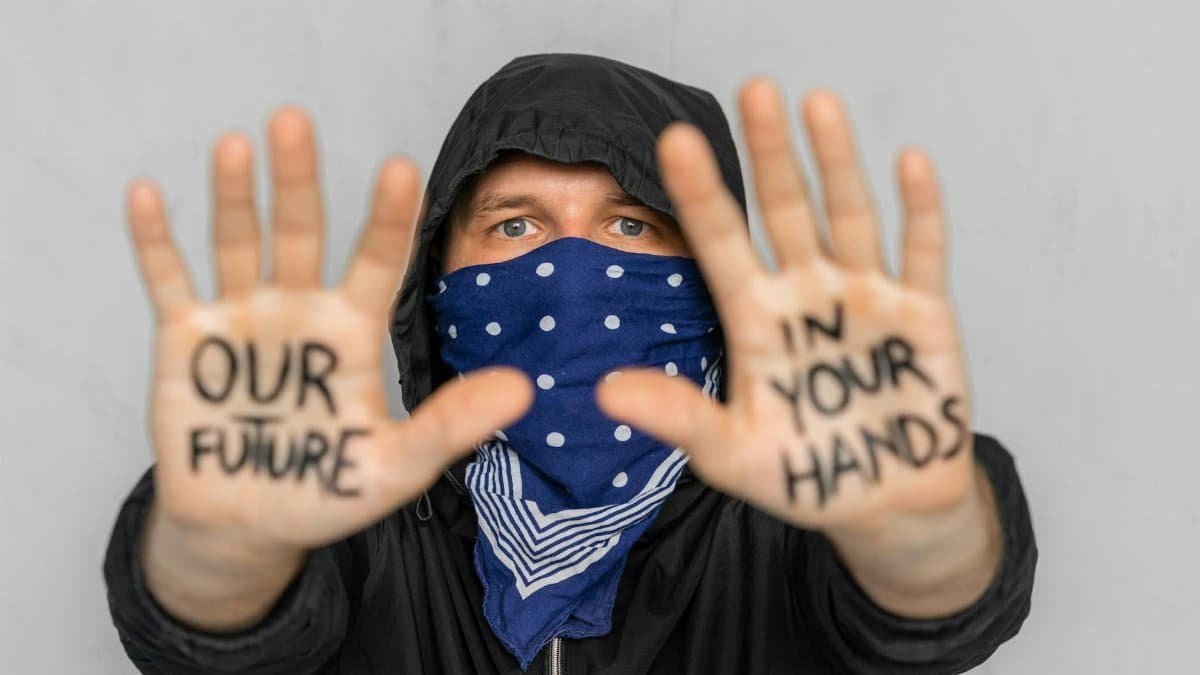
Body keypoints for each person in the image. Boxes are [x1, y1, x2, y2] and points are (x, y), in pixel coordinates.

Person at [104, 53, 1037, 674]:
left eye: (631, 226)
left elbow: (925, 610)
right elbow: (221, 634)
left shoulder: (795, 521)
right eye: (516, 226)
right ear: (436, 280)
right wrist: (229, 536)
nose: (577, 272)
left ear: (710, 278)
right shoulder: (352, 519)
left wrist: (913, 519)